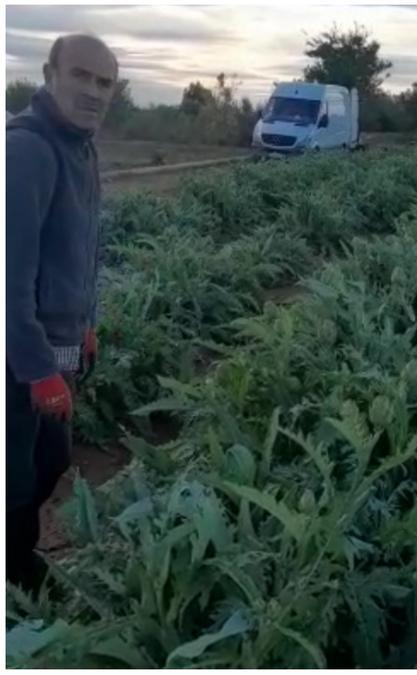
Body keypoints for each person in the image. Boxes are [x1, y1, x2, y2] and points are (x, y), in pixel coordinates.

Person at [7, 33, 118, 591]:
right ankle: (17, 576)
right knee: (17, 477)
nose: (94, 92)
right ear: (49, 74)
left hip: (61, 341)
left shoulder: (83, 146)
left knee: (51, 462)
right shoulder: (28, 149)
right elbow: (10, 277)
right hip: (19, 355)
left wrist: (87, 325)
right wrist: (38, 370)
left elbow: (82, 250)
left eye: (105, 83)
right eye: (81, 76)